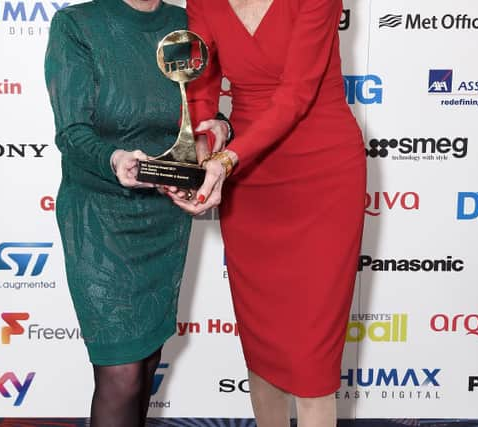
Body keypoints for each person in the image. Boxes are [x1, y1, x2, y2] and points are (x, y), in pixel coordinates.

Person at [169, 0, 367, 426]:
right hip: (250, 177)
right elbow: (202, 81)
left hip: (321, 170)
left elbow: (297, 92)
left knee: (313, 359)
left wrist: (226, 161)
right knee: (263, 348)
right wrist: (204, 138)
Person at [44, 1, 228, 425]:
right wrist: (115, 159)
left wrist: (220, 128)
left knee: (146, 361)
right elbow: (71, 132)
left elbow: (200, 111)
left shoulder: (186, 24)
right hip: (100, 215)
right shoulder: (77, 24)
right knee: (121, 372)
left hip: (163, 214)